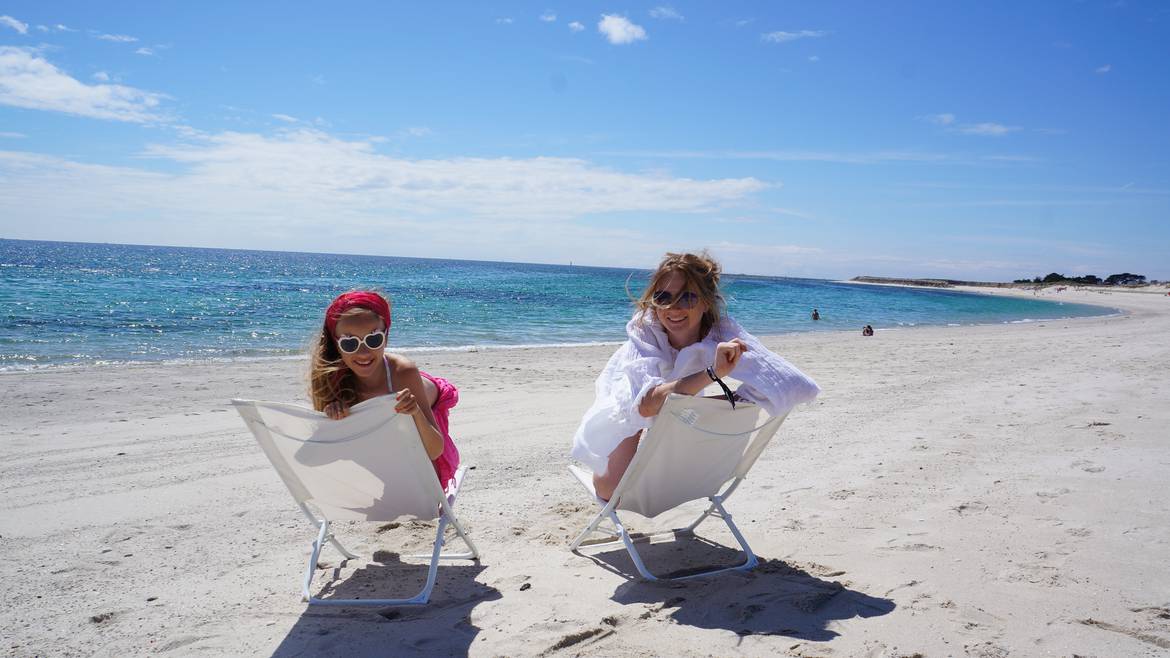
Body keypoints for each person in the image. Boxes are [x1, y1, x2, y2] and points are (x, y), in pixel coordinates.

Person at [571, 252, 821, 501]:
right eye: (663, 297)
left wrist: (731, 402)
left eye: (687, 297)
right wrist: (713, 373)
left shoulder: (722, 333)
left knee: (670, 451)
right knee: (608, 489)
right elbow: (644, 405)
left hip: (677, 401)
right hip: (629, 397)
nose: (673, 307)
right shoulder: (643, 330)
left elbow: (798, 386)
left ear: (706, 302)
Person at [308, 290, 460, 489]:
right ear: (336, 344)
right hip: (385, 417)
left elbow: (433, 451)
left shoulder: (404, 373)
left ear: (386, 337)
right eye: (349, 342)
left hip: (428, 396)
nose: (363, 353)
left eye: (373, 339)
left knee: (423, 477)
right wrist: (332, 416)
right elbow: (316, 453)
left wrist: (416, 413)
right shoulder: (329, 377)